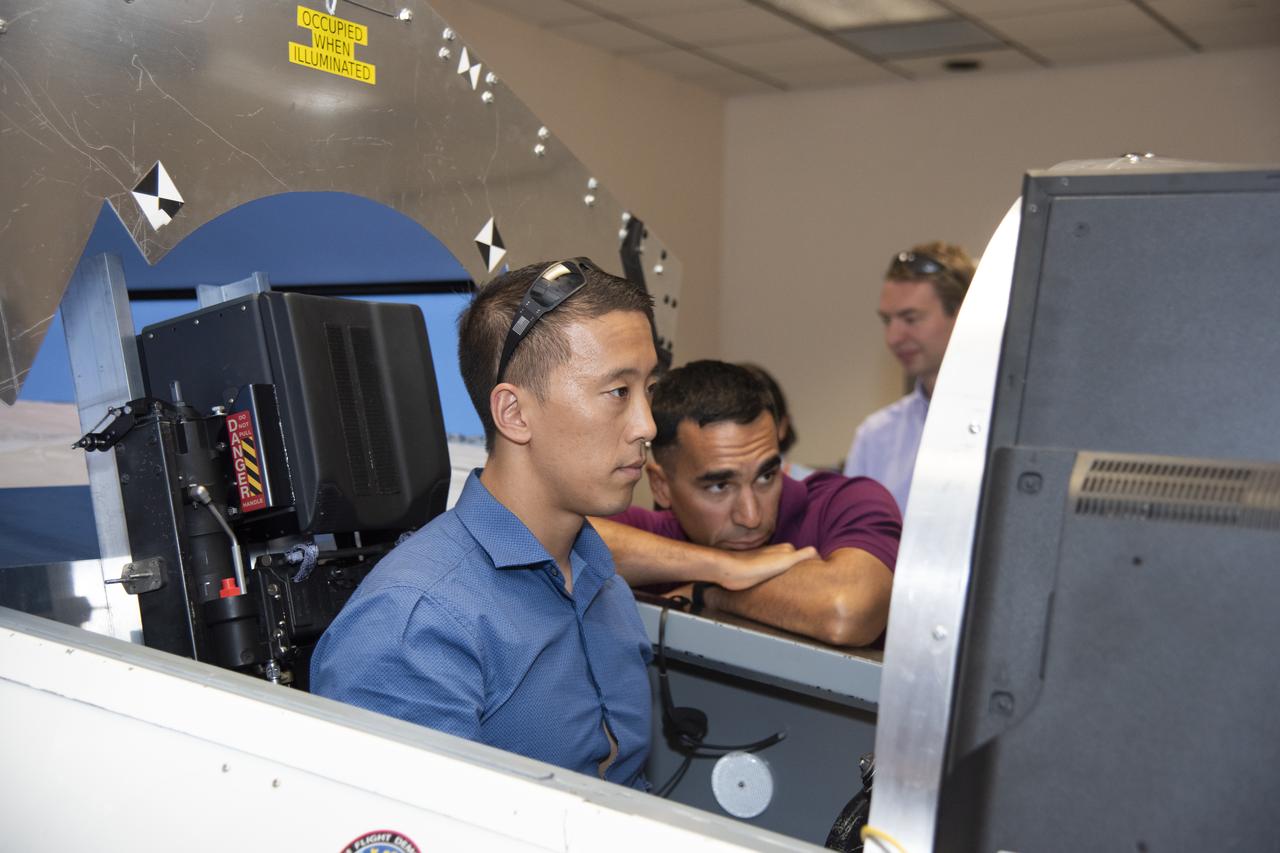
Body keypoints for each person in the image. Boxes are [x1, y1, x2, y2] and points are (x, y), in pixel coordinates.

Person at [312, 258, 660, 789]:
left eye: (648, 390)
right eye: (618, 393)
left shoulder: (597, 577)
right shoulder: (414, 624)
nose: (647, 425)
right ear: (515, 415)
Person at [593, 360, 900, 648]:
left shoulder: (846, 504)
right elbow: (554, 541)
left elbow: (847, 611)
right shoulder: (656, 533)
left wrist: (710, 592)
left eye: (766, 476)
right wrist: (725, 566)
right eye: (719, 486)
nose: (751, 517)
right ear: (661, 487)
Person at [843, 241, 976, 514]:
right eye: (887, 321)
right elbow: (853, 542)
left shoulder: (1013, 426)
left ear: (963, 315)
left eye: (911, 318)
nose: (893, 338)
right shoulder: (876, 437)